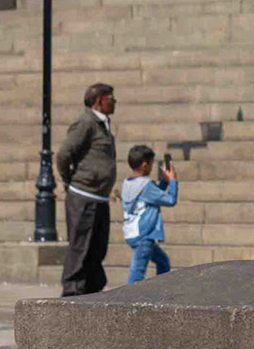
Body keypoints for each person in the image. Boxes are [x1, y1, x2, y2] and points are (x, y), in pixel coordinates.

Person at [55, 82, 118, 297]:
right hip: (83, 196)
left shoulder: (103, 124)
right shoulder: (86, 122)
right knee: (80, 246)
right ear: (99, 100)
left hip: (99, 198)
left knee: (97, 248)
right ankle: (73, 291)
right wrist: (69, 181)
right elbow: (64, 153)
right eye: (111, 98)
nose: (114, 101)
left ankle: (92, 290)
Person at [120, 144, 178, 282]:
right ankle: (128, 300)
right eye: (152, 164)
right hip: (144, 236)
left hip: (133, 232)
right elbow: (170, 200)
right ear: (145, 165)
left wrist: (164, 182)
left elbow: (153, 196)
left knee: (163, 262)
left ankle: (160, 291)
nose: (152, 168)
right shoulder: (146, 185)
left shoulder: (129, 183)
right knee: (137, 274)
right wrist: (173, 180)